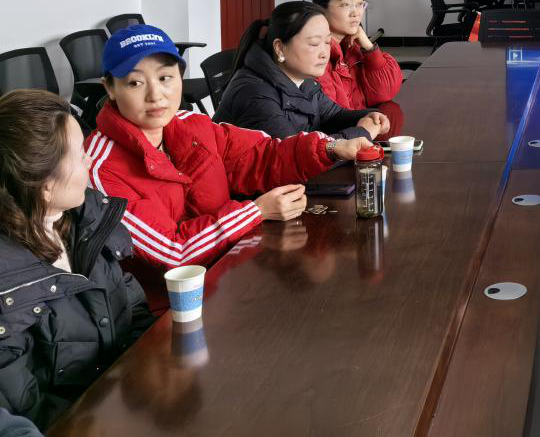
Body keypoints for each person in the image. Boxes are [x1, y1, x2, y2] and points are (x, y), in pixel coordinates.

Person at [86, 25, 372, 300]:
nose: (155, 95)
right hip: (165, 310)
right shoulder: (99, 169)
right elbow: (173, 253)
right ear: (109, 88)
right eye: (135, 83)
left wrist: (331, 147)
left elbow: (263, 154)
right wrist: (256, 211)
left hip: (227, 278)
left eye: (165, 78)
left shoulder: (191, 125)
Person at [0, 89, 153, 428]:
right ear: (44, 184)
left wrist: (150, 373)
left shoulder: (86, 219)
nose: (89, 162)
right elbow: (28, 411)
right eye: (80, 154)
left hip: (127, 401)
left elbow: (134, 312)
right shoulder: (6, 282)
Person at [214, 1, 390, 141]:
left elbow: (333, 115)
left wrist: (371, 116)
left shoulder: (300, 77)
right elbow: (294, 154)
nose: (324, 53)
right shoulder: (255, 94)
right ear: (279, 48)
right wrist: (362, 133)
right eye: (314, 44)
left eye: (327, 43)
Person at [312, 0, 405, 135]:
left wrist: (369, 47)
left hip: (361, 131)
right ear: (321, 9)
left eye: (360, 4)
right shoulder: (317, 56)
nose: (355, 13)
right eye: (345, 4)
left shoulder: (352, 47)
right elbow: (332, 117)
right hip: (340, 140)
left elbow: (386, 93)